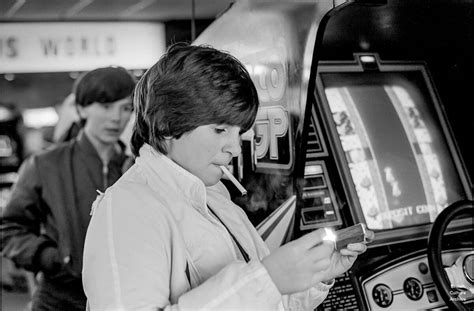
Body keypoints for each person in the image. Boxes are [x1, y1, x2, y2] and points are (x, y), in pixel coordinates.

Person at [82, 43, 373, 310]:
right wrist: (268, 279)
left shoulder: (215, 195)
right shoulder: (128, 208)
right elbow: (259, 289)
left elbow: (269, 303)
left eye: (239, 132)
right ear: (168, 125)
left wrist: (314, 274)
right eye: (220, 130)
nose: (235, 147)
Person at [0, 66, 136, 311]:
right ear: (82, 108)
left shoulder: (137, 169)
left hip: (119, 300)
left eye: (125, 108)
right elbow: (9, 228)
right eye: (106, 106)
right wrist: (50, 257)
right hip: (58, 300)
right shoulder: (45, 164)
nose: (116, 117)